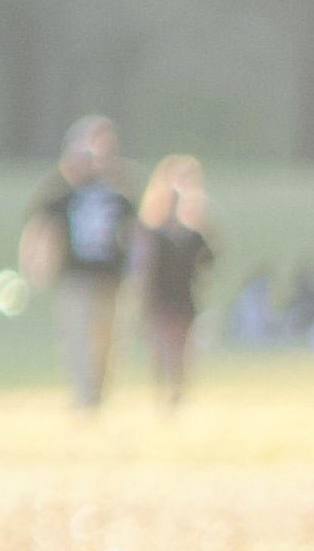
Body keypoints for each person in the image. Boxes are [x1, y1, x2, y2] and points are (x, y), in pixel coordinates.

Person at [24, 114, 140, 408]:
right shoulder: (63, 192)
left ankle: (98, 394)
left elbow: (134, 232)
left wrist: (137, 270)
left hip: (111, 277)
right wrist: (36, 266)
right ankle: (83, 397)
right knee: (77, 338)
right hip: (75, 277)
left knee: (107, 341)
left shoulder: (118, 191)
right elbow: (42, 227)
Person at [135, 157, 215, 410]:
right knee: (161, 347)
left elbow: (210, 260)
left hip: (184, 296)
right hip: (160, 296)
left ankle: (177, 392)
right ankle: (162, 392)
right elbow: (144, 268)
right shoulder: (152, 235)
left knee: (182, 348)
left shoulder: (193, 235)